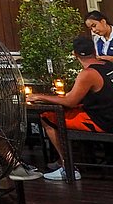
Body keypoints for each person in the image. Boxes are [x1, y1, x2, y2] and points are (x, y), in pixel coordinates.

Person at [29, 34, 113, 181]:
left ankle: (68, 166)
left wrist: (39, 97)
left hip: (104, 121)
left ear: (75, 54)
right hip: (105, 112)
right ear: (94, 50)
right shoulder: (108, 65)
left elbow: (70, 101)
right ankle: (66, 160)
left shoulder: (88, 73)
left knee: (47, 117)